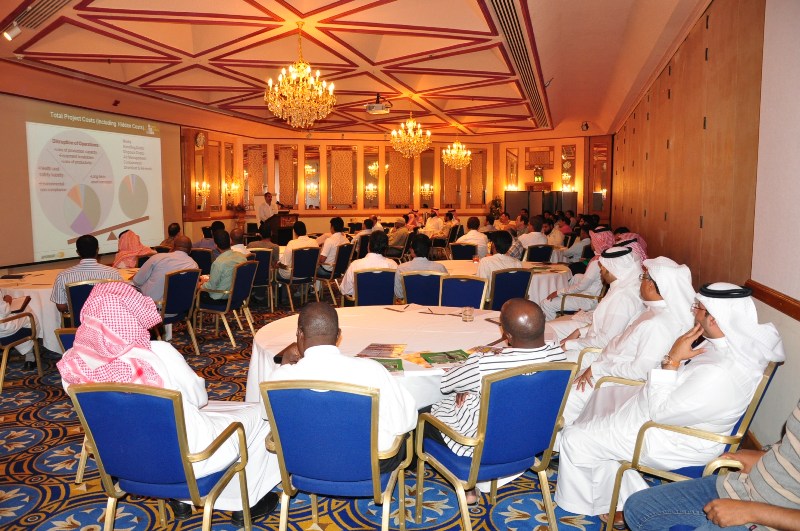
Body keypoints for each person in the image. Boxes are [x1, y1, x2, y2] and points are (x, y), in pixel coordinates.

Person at [554, 283, 786, 525]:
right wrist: (671, 364)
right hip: (671, 417)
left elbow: (661, 413)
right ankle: (629, 497)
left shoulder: (720, 372)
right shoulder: (725, 346)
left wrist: (672, 360)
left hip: (674, 438)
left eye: (698, 307)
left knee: (575, 438)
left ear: (714, 318)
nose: (693, 311)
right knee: (600, 404)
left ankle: (597, 503)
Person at [56, 282, 280, 525]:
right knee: (261, 415)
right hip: (190, 460)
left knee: (197, 415)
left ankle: (180, 501)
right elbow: (199, 399)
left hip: (123, 460)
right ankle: (243, 504)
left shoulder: (71, 363)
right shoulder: (158, 353)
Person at [424, 299, 565, 501]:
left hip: (482, 446)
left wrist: (468, 383)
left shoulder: (485, 366)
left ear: (507, 335)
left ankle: (467, 483)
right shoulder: (560, 358)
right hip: (530, 440)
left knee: (419, 417)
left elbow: (446, 383)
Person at [269, 302, 417, 462]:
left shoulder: (279, 380)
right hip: (365, 465)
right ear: (339, 335)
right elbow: (405, 421)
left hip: (305, 462)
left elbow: (269, 416)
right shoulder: (372, 370)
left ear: (299, 333)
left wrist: (284, 364)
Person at [624, 398, 800, 531]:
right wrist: (765, 454)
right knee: (638, 510)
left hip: (772, 521)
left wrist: (751, 511)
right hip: (745, 485)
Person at [562, 256, 695, 426]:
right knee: (563, 386)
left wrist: (597, 368)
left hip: (616, 383)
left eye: (643, 277)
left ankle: (556, 438)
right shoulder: (653, 311)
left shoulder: (658, 324)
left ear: (651, 285)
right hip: (607, 369)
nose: (640, 281)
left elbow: (641, 372)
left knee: (567, 397)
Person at [550, 246, 645, 361]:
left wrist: (569, 344)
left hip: (596, 353)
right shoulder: (620, 286)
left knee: (548, 358)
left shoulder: (623, 298)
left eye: (603, 268)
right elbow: (603, 326)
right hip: (592, 336)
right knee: (548, 329)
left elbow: (606, 340)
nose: (601, 271)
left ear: (613, 270)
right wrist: (579, 331)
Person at [539, 226, 614, 320]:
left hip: (587, 299)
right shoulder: (607, 258)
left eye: (593, 240)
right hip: (592, 295)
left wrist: (558, 292)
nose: (591, 242)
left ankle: (552, 327)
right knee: (576, 277)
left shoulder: (597, 263)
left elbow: (581, 287)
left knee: (546, 303)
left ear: (598, 242)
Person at [50, 234, 122, 314]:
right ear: (97, 250)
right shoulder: (113, 273)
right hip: (106, 319)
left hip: (78, 321)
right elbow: (121, 299)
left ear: (77, 252)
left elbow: (61, 306)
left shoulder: (63, 276)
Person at [132, 235, 198, 302]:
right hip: (178, 306)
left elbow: (137, 281)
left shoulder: (157, 257)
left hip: (151, 304)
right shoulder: (194, 265)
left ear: (172, 247)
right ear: (190, 250)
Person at [339, 230, 397, 298]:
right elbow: (398, 291)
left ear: (368, 245)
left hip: (361, 304)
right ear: (386, 247)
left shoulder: (355, 265)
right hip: (386, 304)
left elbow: (344, 290)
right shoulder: (393, 265)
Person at [394, 234, 447, 299]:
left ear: (412, 250)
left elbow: (399, 294)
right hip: (435, 304)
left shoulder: (401, 269)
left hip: (410, 305)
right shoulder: (440, 268)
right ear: (429, 249)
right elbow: (446, 291)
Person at [201, 230, 246, 302]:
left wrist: (200, 285)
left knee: (196, 291)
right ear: (230, 240)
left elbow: (211, 287)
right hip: (238, 295)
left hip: (221, 298)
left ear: (216, 245)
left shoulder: (218, 263)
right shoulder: (242, 257)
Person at [477, 231, 523, 298]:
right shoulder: (517, 262)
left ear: (493, 245)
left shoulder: (485, 261)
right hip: (512, 301)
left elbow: (481, 287)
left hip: (491, 302)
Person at [1, 293, 36, 370]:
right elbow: (4, 311)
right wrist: (7, 301)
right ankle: (30, 356)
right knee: (28, 313)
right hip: (4, 334)